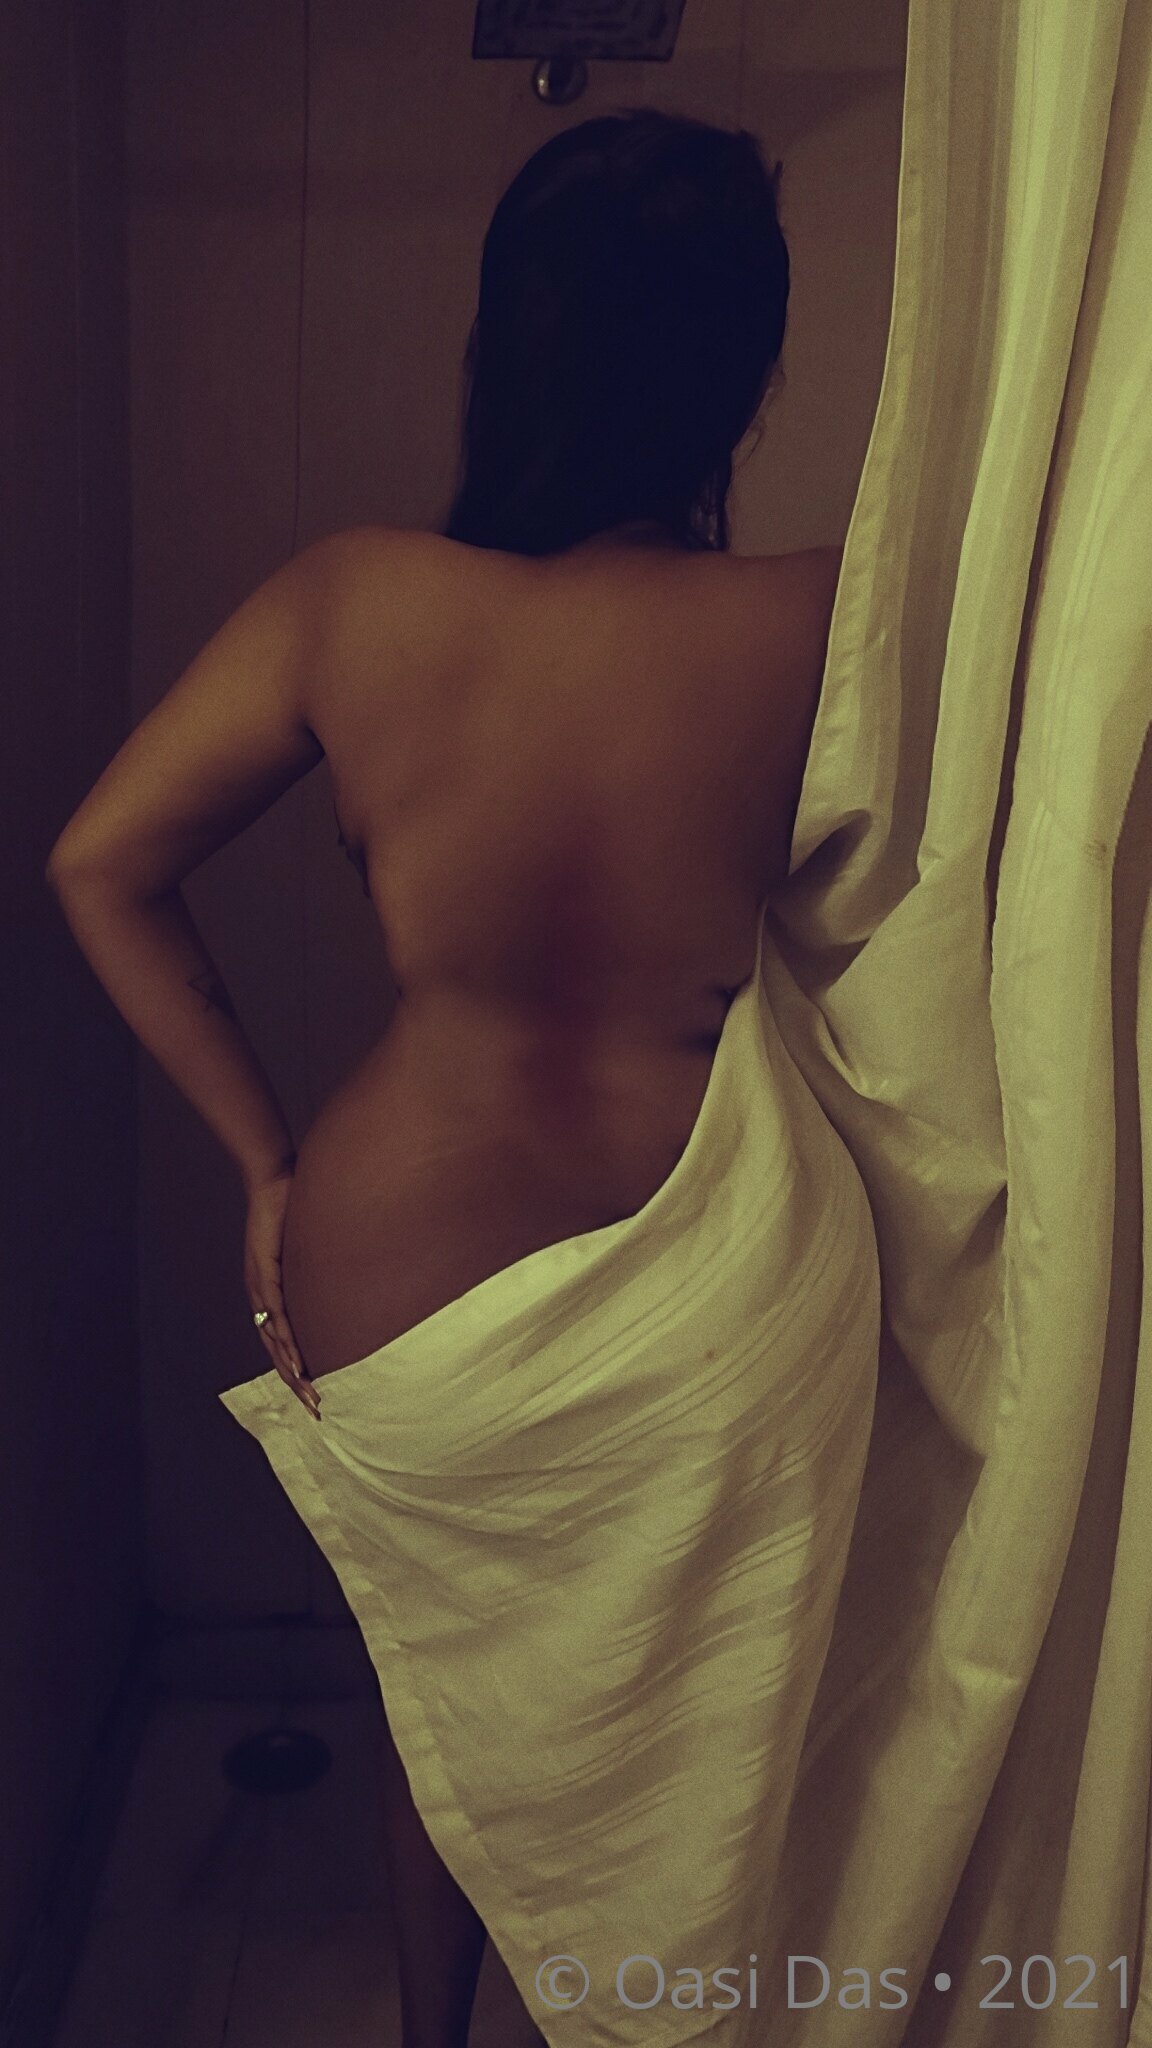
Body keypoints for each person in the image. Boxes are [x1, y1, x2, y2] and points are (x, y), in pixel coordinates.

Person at [46, 107, 844, 2048]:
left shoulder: (352, 600)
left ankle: (436, 2031)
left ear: (508, 341)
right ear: (742, 371)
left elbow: (99, 862)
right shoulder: (824, 615)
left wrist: (264, 1162)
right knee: (702, 1716)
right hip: (703, 1278)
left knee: (445, 1695)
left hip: (391, 1260)